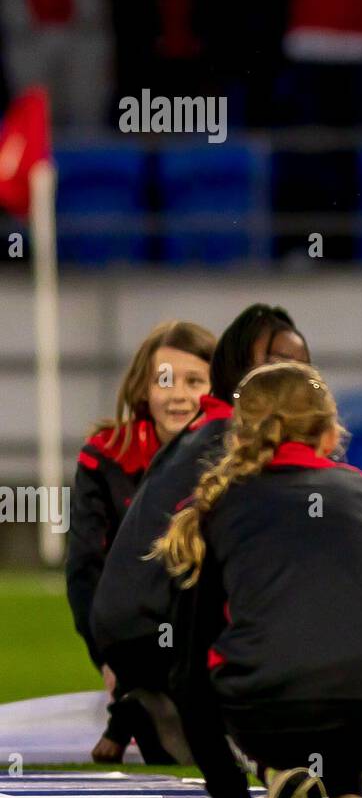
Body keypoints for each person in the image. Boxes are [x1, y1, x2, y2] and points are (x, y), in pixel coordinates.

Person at [158, 362, 362, 798]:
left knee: (279, 659)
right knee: (350, 655)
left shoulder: (217, 508)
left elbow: (187, 676)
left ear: (237, 434)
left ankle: (284, 779)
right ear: (332, 432)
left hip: (272, 717)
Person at [90, 305, 310, 759]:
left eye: (303, 370)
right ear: (239, 370)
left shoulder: (203, 431)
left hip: (129, 632)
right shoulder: (240, 442)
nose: (296, 382)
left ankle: (153, 707)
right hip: (160, 632)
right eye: (278, 366)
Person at [66, 319, 215, 762]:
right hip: (137, 632)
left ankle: (147, 711)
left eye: (195, 381)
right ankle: (138, 701)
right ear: (143, 388)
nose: (179, 395)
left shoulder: (232, 456)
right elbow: (84, 569)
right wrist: (107, 660)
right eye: (165, 380)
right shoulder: (106, 455)